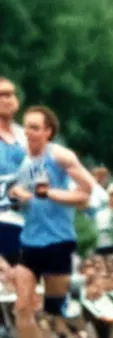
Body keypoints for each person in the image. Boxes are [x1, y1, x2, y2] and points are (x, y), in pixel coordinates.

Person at [6, 105, 95, 338]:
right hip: (30, 242)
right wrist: (16, 195)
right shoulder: (21, 161)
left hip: (59, 241)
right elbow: (16, 192)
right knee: (22, 307)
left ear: (47, 131)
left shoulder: (61, 156)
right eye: (26, 127)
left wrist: (52, 194)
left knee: (53, 310)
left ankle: (65, 312)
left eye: (34, 127)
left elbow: (86, 193)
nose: (28, 132)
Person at [0, 77, 26, 267]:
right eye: (2, 95)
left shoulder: (27, 137)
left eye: (11, 94)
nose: (8, 99)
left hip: (25, 224)